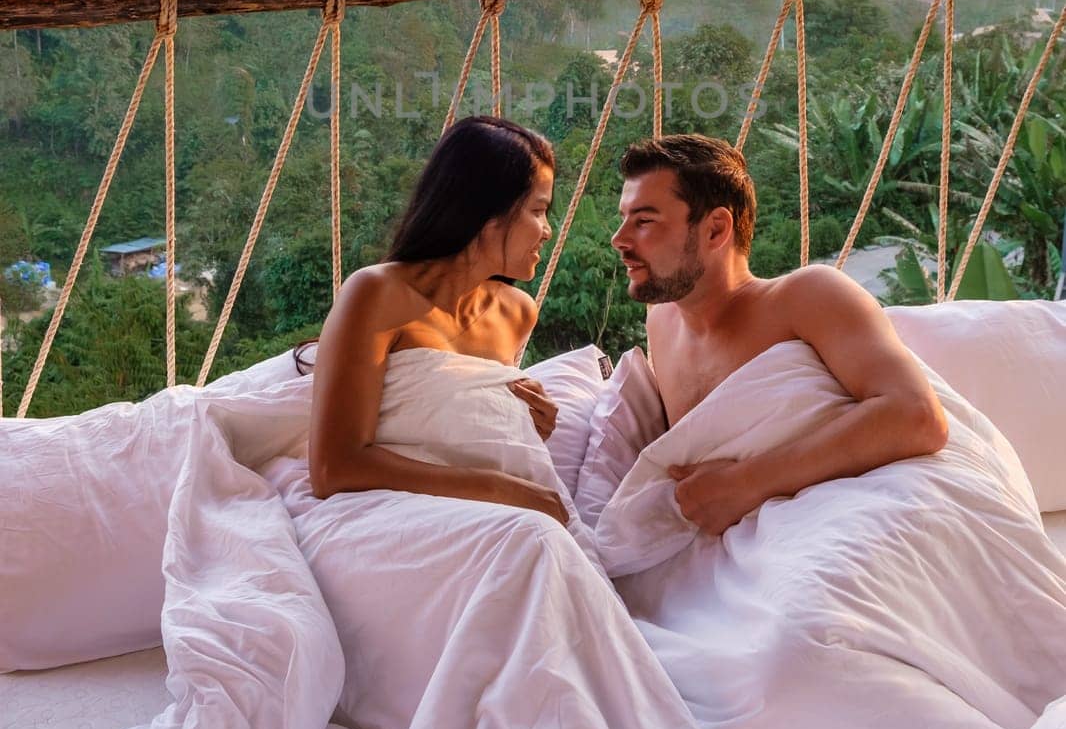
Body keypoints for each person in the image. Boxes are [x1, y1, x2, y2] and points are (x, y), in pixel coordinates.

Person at [610, 133, 949, 537]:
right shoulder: (661, 323)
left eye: (644, 221)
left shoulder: (807, 296)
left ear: (715, 230)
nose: (620, 239)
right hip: (736, 548)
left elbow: (918, 416)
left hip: (854, 522)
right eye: (624, 218)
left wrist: (747, 483)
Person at [308, 114, 568, 524]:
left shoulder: (517, 312)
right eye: (538, 211)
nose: (547, 230)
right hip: (386, 514)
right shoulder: (377, 293)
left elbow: (455, 426)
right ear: (487, 211)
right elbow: (333, 469)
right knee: (532, 540)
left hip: (474, 513)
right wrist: (501, 489)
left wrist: (523, 424)